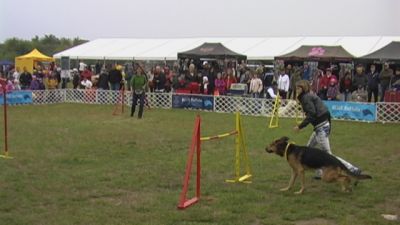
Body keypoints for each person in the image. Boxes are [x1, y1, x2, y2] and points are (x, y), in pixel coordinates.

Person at [294, 80, 361, 179]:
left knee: (328, 155)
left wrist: (300, 126)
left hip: (321, 126)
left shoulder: (306, 98)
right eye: (296, 88)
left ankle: (352, 169)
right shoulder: (308, 96)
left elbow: (312, 114)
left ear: (304, 89)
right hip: (321, 125)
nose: (297, 90)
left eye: (299, 88)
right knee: (309, 149)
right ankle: (319, 172)